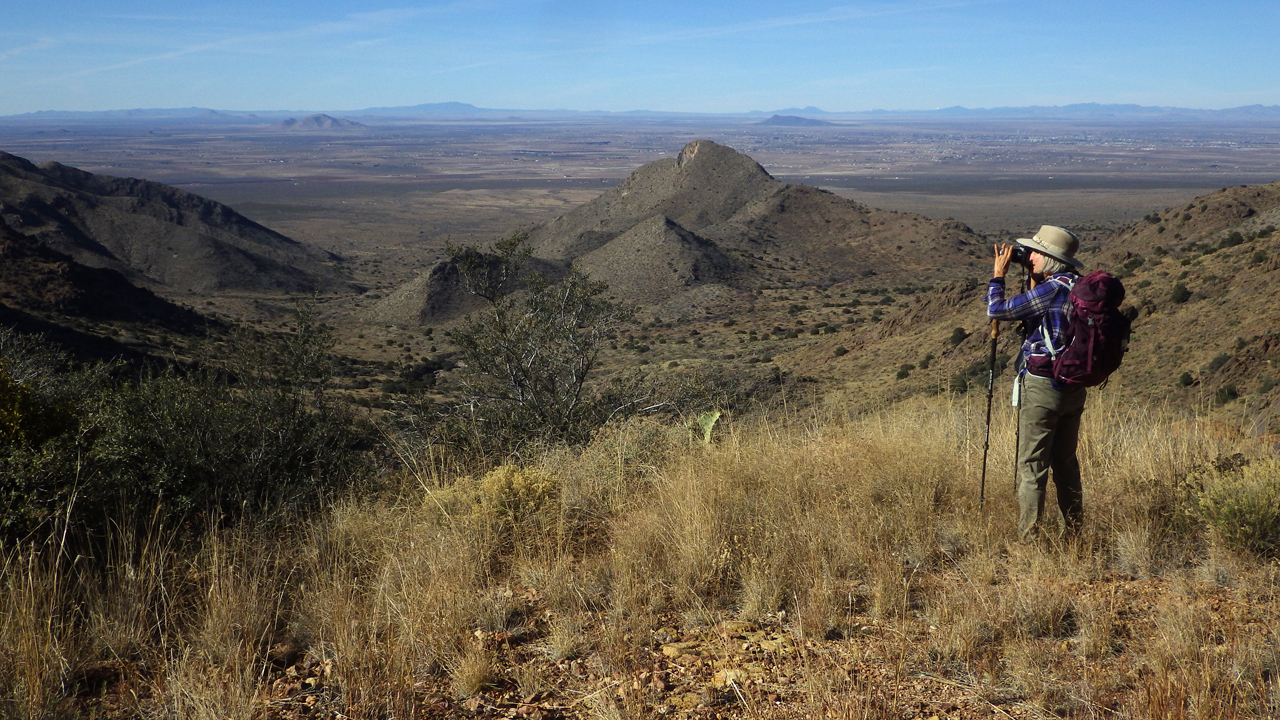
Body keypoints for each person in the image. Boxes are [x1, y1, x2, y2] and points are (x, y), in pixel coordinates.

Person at [987, 225, 1086, 541]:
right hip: (1074, 386)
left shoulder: (1051, 289)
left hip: (1043, 386)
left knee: (1032, 468)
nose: (1028, 257)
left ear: (1048, 259)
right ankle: (1072, 533)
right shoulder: (1080, 286)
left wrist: (998, 276)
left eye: (1033, 253)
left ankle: (1029, 540)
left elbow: (998, 310)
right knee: (1066, 463)